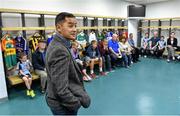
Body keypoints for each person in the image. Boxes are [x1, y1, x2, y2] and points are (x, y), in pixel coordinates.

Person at [45, 12, 90, 115]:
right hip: (62, 105)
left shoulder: (59, 44)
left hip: (56, 99)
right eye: (70, 26)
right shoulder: (59, 50)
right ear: (59, 27)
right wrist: (76, 103)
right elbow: (61, 89)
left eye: (75, 26)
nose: (74, 29)